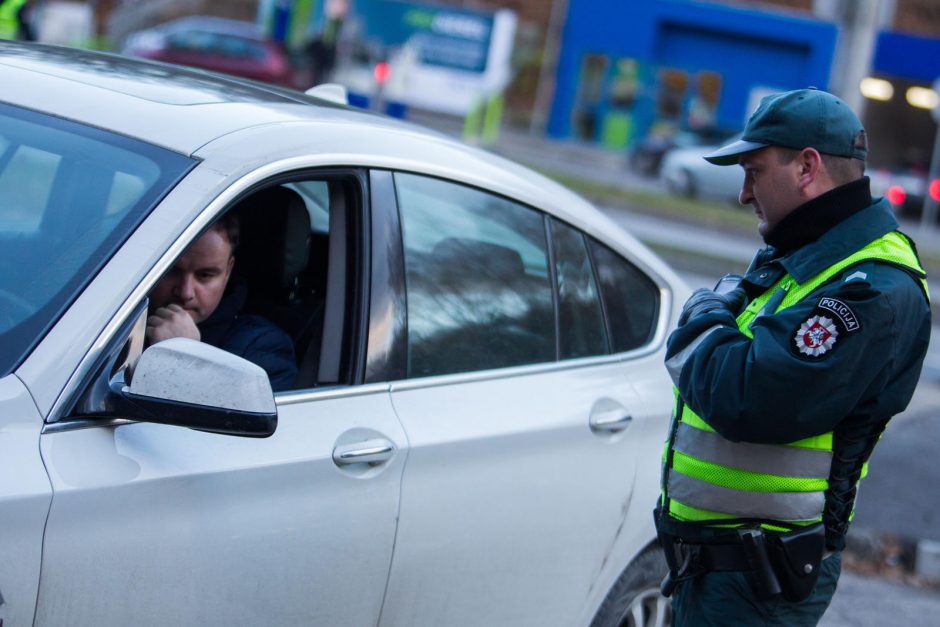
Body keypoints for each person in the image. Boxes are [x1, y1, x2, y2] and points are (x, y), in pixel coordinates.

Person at [656, 87, 931, 626]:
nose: (743, 193)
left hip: (760, 580)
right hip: (719, 572)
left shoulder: (871, 288)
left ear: (807, 168)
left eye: (754, 171)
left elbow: (745, 397)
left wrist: (703, 315)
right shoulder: (803, 257)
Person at [146, 213, 298, 392]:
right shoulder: (117, 315)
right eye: (172, 271)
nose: (186, 292)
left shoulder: (262, 349)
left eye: (205, 275)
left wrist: (186, 360)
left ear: (228, 271)